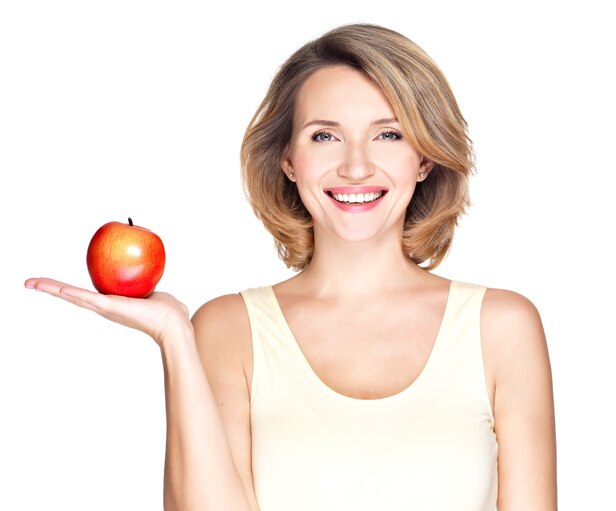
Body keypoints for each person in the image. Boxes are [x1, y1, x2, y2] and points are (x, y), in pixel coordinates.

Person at [25, 23, 557, 511]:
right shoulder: (227, 328)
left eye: (389, 134)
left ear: (425, 159)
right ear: (288, 159)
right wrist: (174, 340)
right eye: (324, 135)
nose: (355, 166)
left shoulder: (501, 327)